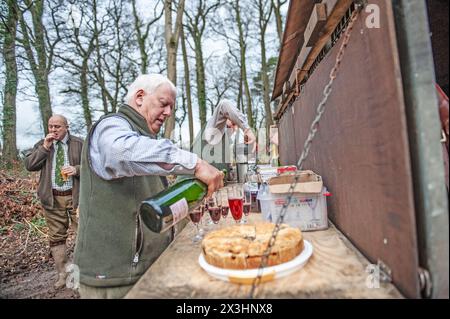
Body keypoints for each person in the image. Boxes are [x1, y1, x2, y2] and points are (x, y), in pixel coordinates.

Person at [73, 74, 223, 299]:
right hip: (114, 281)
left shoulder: (144, 138)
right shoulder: (112, 125)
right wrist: (196, 163)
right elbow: (119, 152)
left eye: (172, 107)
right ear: (140, 97)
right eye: (164, 104)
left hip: (144, 271)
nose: (169, 113)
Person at [24, 115, 83, 289]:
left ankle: (83, 273)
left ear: (67, 127)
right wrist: (44, 148)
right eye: (50, 127)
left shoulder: (79, 144)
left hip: (76, 197)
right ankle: (63, 274)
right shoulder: (43, 145)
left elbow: (93, 166)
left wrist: (76, 169)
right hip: (52, 198)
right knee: (56, 237)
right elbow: (29, 165)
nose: (53, 130)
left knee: (84, 233)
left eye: (57, 126)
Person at [191, 99, 256, 175]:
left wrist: (230, 171)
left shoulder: (225, 141)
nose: (234, 127)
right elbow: (224, 105)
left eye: (236, 125)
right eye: (232, 122)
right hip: (190, 183)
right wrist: (247, 130)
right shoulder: (214, 128)